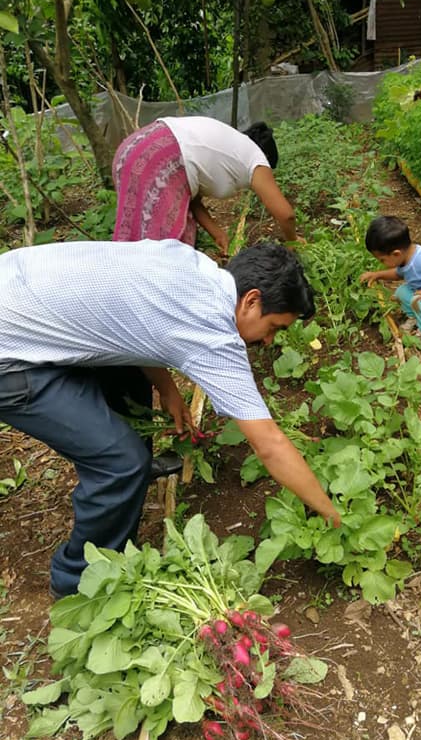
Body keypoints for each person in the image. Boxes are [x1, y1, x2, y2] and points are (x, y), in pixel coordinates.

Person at [0, 240, 340, 598]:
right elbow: (269, 444)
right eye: (274, 327)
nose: (269, 341)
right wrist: (330, 514)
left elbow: (130, 321)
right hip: (10, 356)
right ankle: (80, 583)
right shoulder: (212, 332)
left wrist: (166, 387)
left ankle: (128, 483)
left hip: (16, 285)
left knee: (129, 382)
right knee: (120, 461)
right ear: (251, 301)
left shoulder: (193, 266)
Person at [112, 116, 300, 253]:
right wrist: (294, 242)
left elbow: (192, 201)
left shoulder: (232, 148)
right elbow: (286, 215)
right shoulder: (256, 158)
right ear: (267, 158)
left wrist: (218, 233)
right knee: (165, 253)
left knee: (138, 244)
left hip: (133, 149)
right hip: (161, 159)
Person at [359, 215, 421, 345]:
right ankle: (416, 318)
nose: (382, 263)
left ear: (396, 253)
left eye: (382, 260)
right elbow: (398, 274)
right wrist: (377, 275)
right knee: (402, 291)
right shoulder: (405, 257)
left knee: (420, 303)